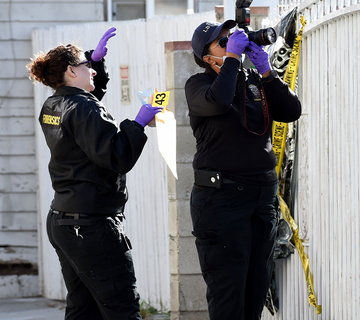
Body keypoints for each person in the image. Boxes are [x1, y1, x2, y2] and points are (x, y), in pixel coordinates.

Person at [26, 27, 162, 320]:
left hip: (64, 222)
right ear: (71, 72)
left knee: (83, 309)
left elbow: (85, 110)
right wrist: (137, 124)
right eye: (86, 64)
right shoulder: (82, 108)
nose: (92, 69)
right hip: (91, 227)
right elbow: (116, 156)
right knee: (121, 308)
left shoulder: (53, 104)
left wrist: (96, 62)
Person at [185, 20, 302, 319]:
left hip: (261, 199)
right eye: (222, 44)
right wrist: (234, 59)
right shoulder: (198, 86)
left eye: (232, 40)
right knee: (228, 296)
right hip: (222, 201)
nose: (231, 45)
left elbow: (291, 111)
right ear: (206, 57)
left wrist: (266, 71)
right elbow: (219, 101)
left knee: (254, 292)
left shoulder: (253, 79)